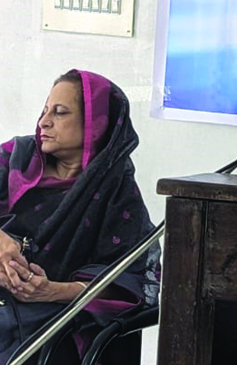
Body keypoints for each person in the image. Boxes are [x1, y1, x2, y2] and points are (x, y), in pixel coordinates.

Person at [0, 70, 161, 363]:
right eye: (45, 110)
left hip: (48, 321)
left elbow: (133, 280)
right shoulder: (16, 158)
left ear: (95, 124)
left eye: (60, 112)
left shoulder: (115, 191)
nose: (44, 121)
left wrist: (52, 291)